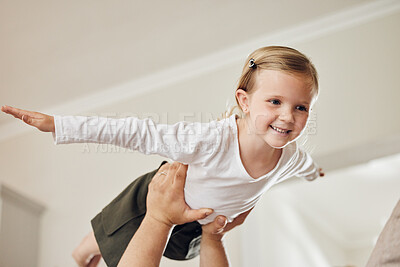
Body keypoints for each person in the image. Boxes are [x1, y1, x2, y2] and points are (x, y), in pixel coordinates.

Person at [1, 46, 324, 266]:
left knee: (177, 252)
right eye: (275, 102)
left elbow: (306, 166)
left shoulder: (290, 157)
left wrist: (315, 174)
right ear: (244, 101)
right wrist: (58, 124)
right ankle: (84, 249)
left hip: (197, 222)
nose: (287, 116)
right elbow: (136, 132)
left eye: (300, 107)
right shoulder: (211, 140)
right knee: (110, 234)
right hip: (153, 198)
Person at [72, 162, 251, 267]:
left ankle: (90, 245)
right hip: (188, 237)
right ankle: (91, 245)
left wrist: (159, 219)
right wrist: (213, 237)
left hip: (183, 237)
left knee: (156, 195)